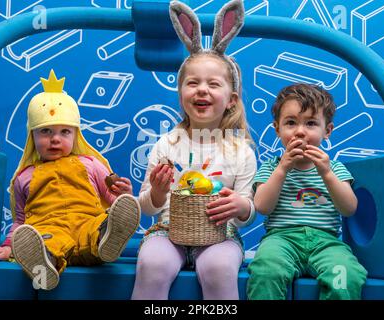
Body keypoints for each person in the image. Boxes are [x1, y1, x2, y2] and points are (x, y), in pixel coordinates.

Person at [131, 0, 256, 300]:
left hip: (220, 236)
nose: (202, 90)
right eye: (192, 83)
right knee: (152, 263)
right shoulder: (167, 143)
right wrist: (158, 194)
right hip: (167, 230)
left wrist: (240, 206)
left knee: (219, 269)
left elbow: (246, 213)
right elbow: (146, 206)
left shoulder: (242, 151)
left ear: (231, 99)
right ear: (181, 93)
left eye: (214, 84)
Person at [0, 70, 141, 290]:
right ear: (32, 136)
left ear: (75, 135)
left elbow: (113, 199)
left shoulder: (90, 164)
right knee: (45, 242)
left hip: (86, 223)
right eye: (46, 131)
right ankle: (44, 267)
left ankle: (107, 240)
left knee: (98, 227)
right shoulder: (23, 177)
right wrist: (9, 249)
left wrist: (123, 196)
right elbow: (20, 221)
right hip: (50, 230)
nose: (55, 139)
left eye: (65, 132)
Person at [247, 83, 367, 300]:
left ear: (327, 131)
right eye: (291, 123)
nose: (300, 131)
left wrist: (327, 174)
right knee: (265, 270)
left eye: (311, 123)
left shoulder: (335, 168)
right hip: (280, 240)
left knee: (346, 275)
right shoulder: (271, 167)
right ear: (277, 129)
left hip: (327, 242)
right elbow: (262, 206)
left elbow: (349, 208)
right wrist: (282, 168)